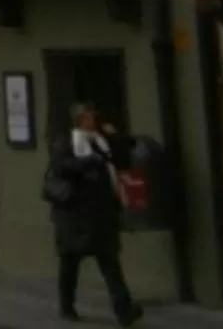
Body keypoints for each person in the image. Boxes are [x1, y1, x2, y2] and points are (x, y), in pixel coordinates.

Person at [46, 101, 143, 326]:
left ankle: (124, 310)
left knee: (110, 263)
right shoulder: (65, 142)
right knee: (70, 263)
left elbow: (123, 154)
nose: (94, 120)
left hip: (101, 212)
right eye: (90, 117)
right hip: (75, 215)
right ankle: (66, 305)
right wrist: (87, 162)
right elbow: (61, 167)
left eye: (93, 116)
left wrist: (114, 136)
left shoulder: (101, 140)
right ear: (80, 119)